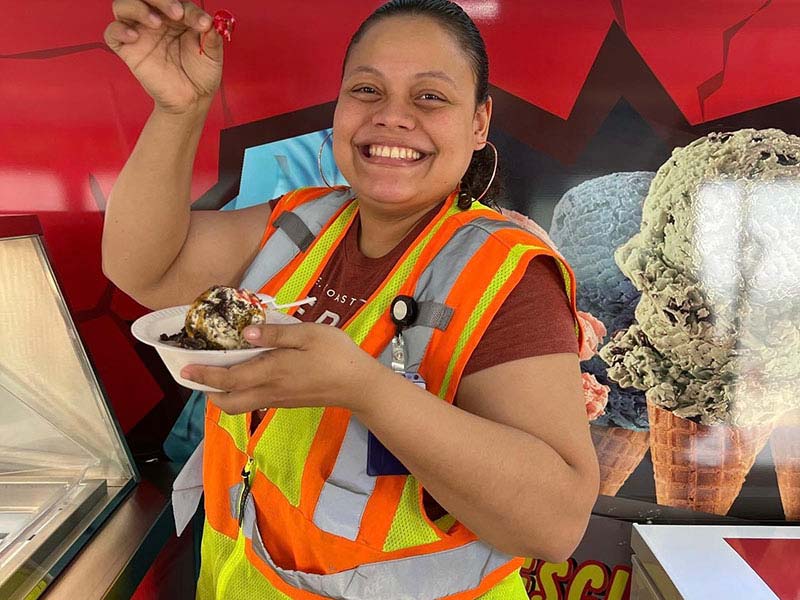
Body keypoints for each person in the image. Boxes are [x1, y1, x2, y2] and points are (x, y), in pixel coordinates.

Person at [102, 0, 599, 597]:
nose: (392, 117)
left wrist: (365, 390)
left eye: (430, 97)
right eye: (367, 89)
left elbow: (555, 524)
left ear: (479, 122)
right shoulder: (305, 222)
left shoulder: (507, 274)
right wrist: (179, 109)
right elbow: (144, 270)